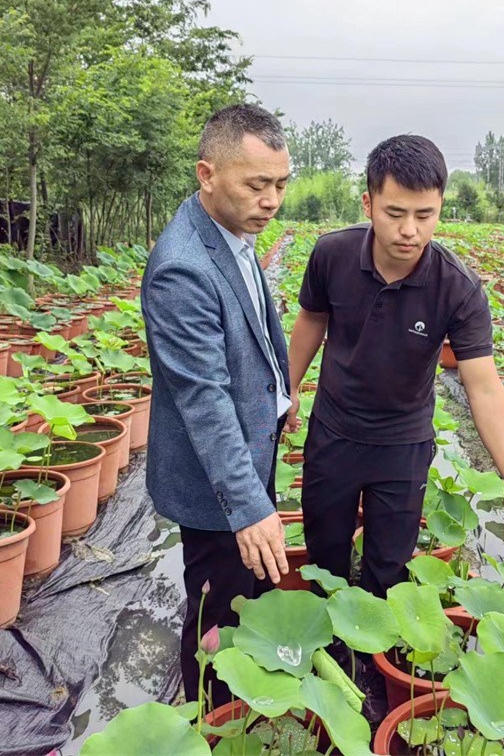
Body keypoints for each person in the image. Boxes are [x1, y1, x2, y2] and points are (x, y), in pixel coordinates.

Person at [285, 134, 504, 713]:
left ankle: (371, 673)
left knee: (387, 565)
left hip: (403, 445)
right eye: (395, 213)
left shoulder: (458, 286)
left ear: (440, 209)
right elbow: (309, 323)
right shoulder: (331, 255)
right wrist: (287, 392)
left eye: (424, 215)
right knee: (324, 551)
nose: (409, 230)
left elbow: (482, 385)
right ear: (368, 203)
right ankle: (321, 660)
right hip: (332, 431)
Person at [141, 104, 292, 706]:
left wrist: (279, 391)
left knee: (241, 595)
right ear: (207, 174)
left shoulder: (230, 231)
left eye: (280, 183)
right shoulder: (182, 268)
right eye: (256, 185)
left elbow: (250, 329)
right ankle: (212, 717)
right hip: (214, 485)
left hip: (249, 449)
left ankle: (234, 705)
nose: (272, 199)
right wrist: (250, 507)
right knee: (215, 614)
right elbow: (203, 398)